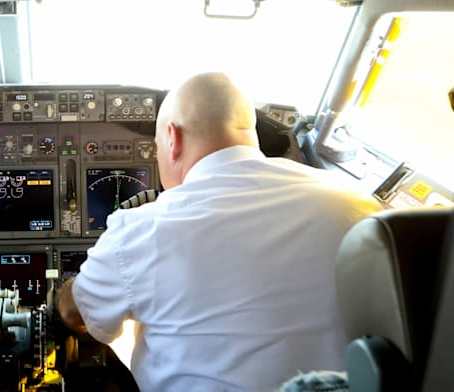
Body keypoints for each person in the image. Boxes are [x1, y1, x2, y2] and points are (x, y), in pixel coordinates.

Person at [56, 72, 383, 391]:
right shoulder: (356, 204)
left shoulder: (142, 228)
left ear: (172, 138)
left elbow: (75, 314)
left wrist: (66, 292)